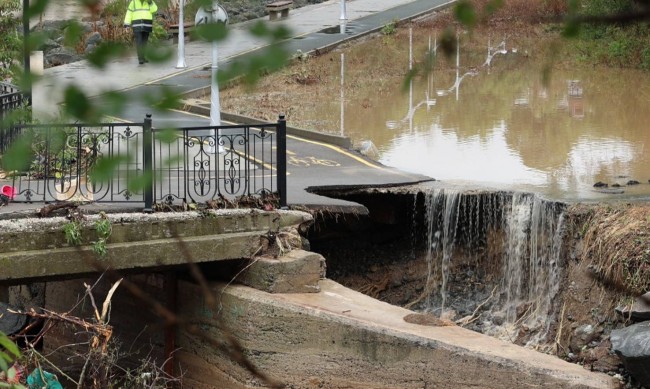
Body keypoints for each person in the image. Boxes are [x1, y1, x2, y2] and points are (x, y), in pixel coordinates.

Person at [123, 0, 158, 65]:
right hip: (137, 25)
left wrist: (150, 3)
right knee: (139, 41)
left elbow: (154, 10)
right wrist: (127, 24)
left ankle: (143, 57)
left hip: (147, 24)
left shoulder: (149, 1)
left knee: (144, 42)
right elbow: (129, 13)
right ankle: (140, 59)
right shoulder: (133, 2)